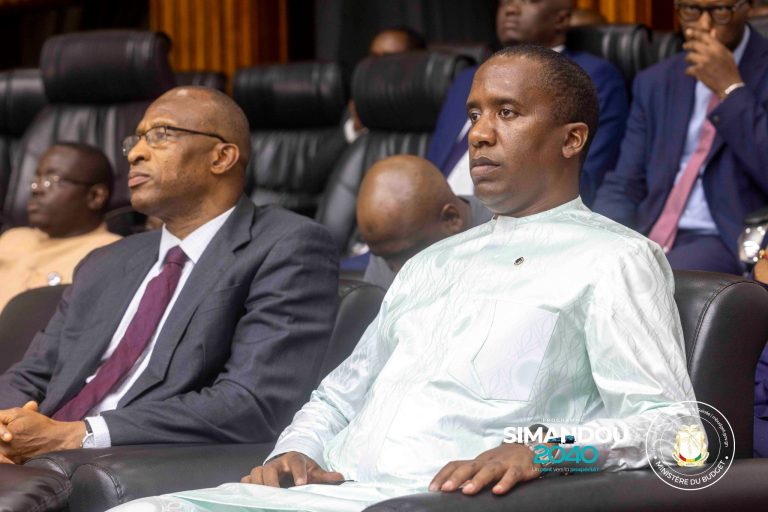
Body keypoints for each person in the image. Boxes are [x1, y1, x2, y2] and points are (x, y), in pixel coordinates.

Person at [114, 46, 695, 512]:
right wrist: (295, 451)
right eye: (475, 114)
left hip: (435, 502)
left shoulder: (615, 258)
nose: (478, 134)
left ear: (572, 138)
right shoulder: (431, 263)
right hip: (326, 493)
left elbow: (675, 431)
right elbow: (337, 397)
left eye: (507, 113)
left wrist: (543, 451)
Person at [0, 86, 339, 464]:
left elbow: (252, 402)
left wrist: (78, 436)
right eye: (135, 140)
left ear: (222, 157)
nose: (135, 153)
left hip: (135, 463)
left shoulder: (286, 245)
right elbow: (31, 374)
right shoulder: (106, 261)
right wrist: (6, 429)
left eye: (160, 135)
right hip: (36, 455)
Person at [593, 0, 767, 274]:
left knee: (645, 280)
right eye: (691, 10)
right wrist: (598, 235)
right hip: (650, 232)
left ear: (747, 7)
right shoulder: (655, 81)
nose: (704, 25)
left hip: (727, 236)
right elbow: (625, 181)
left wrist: (731, 90)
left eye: (720, 11)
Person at [427, 0, 628, 206]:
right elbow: (433, 165)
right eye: (504, 2)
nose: (510, 9)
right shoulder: (467, 78)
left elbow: (584, 177)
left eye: (527, 1)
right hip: (433, 210)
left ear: (561, 19)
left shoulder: (588, 77)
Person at [0, 143, 121, 310]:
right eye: (37, 179)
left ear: (95, 196)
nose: (37, 189)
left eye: (51, 180)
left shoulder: (112, 254)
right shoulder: (13, 237)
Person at [357, 155, 492, 289]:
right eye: (385, 259)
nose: (397, 273)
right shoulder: (391, 242)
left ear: (451, 219)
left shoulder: (499, 240)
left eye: (407, 257)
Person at [345, 27, 427, 144]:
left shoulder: (429, 107)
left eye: (388, 59)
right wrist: (356, 128)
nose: (376, 67)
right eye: (373, 58)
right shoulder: (358, 104)